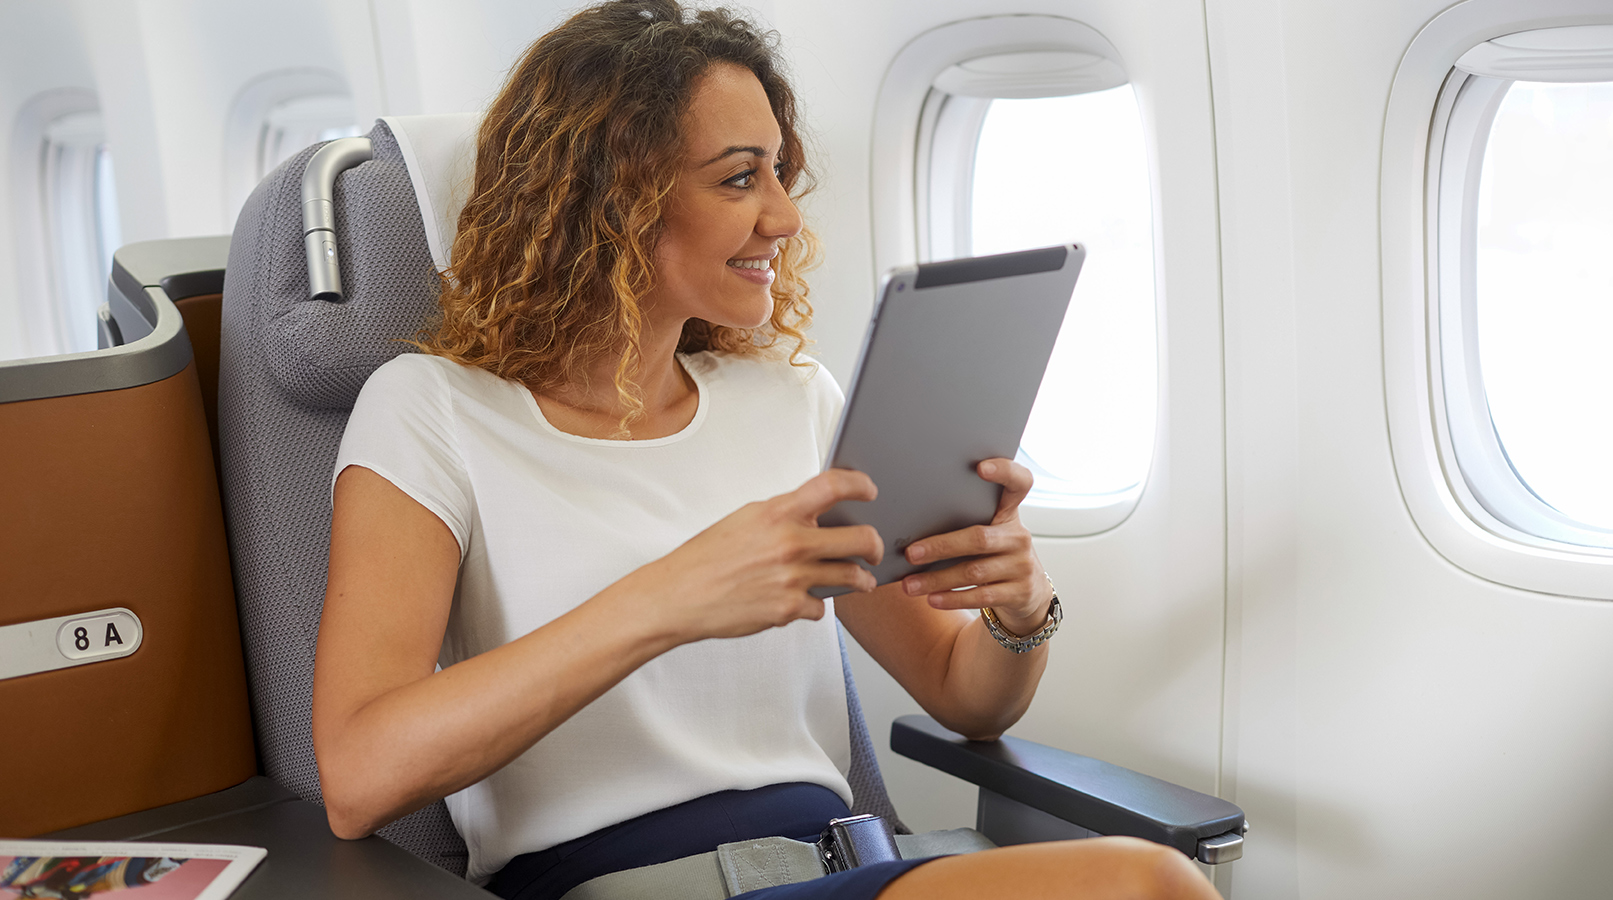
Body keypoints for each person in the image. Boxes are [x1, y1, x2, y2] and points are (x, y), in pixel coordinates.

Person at [311, 2, 1221, 898]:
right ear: (613, 198)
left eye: (780, 174)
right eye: (740, 178)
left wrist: (1019, 614)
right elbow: (360, 777)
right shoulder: (432, 411)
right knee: (1143, 885)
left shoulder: (793, 403)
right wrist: (670, 596)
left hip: (848, 865)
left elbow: (963, 695)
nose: (784, 218)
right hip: (620, 882)